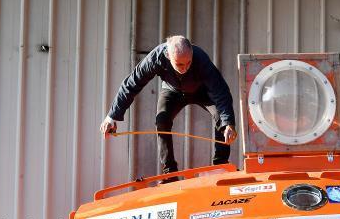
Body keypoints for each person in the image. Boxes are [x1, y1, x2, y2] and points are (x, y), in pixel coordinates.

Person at [100, 35, 238, 175]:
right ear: (168, 55)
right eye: (179, 64)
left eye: (189, 63)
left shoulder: (201, 59)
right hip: (172, 91)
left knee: (222, 117)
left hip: (201, 90)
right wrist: (112, 117)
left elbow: (221, 92)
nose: (185, 68)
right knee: (162, 120)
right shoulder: (157, 57)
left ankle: (220, 165)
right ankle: (169, 171)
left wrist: (229, 124)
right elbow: (131, 84)